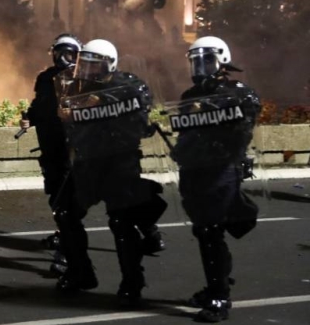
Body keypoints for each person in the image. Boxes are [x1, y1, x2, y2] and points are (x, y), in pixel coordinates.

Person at [56, 39, 167, 304]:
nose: (88, 71)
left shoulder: (129, 86)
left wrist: (106, 103)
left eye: (95, 66)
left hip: (119, 163)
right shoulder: (76, 89)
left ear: (109, 64)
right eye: (85, 64)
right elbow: (70, 125)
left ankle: (132, 282)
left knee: (122, 223)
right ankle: (80, 272)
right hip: (87, 163)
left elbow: (140, 123)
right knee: (64, 211)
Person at [171, 37, 261, 323]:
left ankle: (219, 297)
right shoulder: (190, 96)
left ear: (222, 60)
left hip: (220, 170)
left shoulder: (239, 94)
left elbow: (240, 134)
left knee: (210, 232)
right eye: (196, 60)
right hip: (194, 171)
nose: (200, 66)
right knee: (205, 231)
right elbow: (187, 134)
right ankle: (217, 283)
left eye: (206, 60)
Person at [22, 34, 83, 275]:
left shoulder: (84, 79)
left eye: (68, 53)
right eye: (58, 53)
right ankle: (63, 234)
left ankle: (66, 255)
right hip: (51, 147)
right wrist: (29, 117)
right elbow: (40, 104)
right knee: (57, 198)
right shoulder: (46, 78)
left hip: (73, 149)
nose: (62, 58)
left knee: (68, 202)